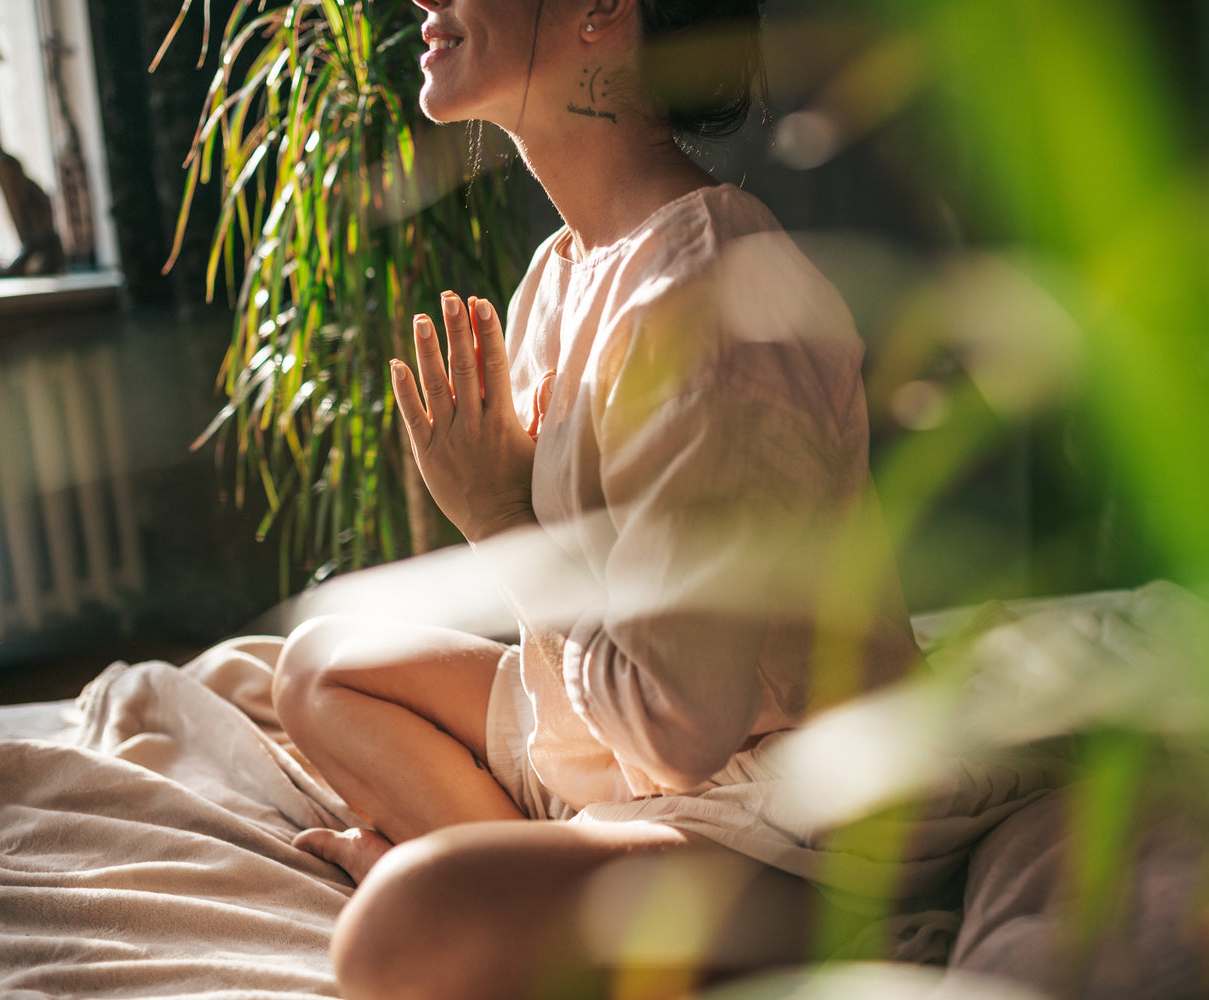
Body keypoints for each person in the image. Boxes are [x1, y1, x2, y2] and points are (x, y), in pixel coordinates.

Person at [271, 1, 922, 996]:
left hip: (778, 828)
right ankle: (533, 880)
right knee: (319, 662)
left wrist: (493, 514)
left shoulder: (709, 300)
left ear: (602, 11)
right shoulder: (561, 273)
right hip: (613, 759)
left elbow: (681, 728)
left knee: (397, 924)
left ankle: (519, 894)